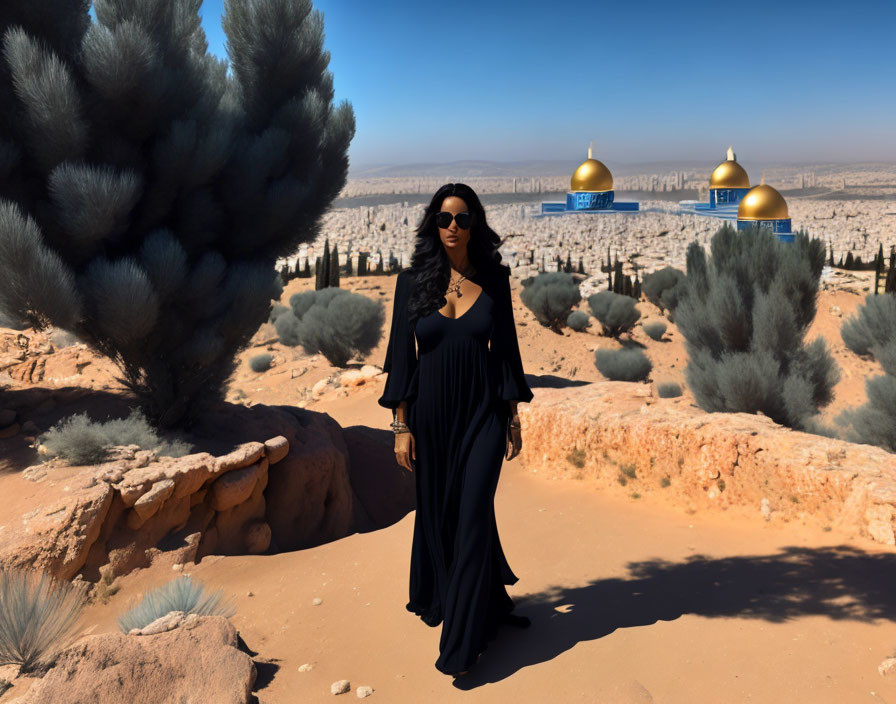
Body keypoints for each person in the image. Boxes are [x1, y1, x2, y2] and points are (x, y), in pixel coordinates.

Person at [377, 182, 534, 677]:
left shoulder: (494, 279)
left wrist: (511, 417)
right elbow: (402, 360)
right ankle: (483, 601)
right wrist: (401, 425)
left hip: (483, 415)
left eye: (463, 219)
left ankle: (463, 646)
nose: (452, 227)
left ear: (475, 225)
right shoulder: (412, 282)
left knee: (470, 518)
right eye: (444, 219)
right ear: (433, 223)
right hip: (431, 417)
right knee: (444, 516)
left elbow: (505, 351)